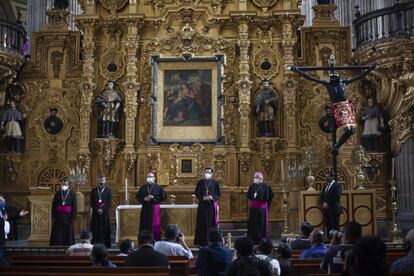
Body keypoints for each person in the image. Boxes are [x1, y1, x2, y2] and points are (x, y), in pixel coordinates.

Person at [291, 61, 376, 154]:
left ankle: (337, 146)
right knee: (348, 130)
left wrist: (370, 69)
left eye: (335, 75)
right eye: (332, 76)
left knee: (351, 130)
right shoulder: (328, 84)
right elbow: (311, 78)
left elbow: (359, 77)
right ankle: (336, 146)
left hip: (346, 106)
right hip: (338, 107)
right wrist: (298, 71)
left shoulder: (343, 83)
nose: (333, 77)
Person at [136, 172, 167, 241]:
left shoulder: (158, 187)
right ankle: (143, 240)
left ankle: (154, 240)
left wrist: (153, 198)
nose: (149, 178)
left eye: (151, 176)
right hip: (145, 208)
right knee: (144, 224)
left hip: (154, 207)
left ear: (154, 178)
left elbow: (163, 197)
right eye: (148, 177)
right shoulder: (143, 187)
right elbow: (138, 196)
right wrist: (144, 198)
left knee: (153, 224)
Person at [194, 167, 221, 247]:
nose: (207, 173)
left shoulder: (215, 183)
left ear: (212, 173)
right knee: (201, 223)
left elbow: (218, 195)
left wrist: (212, 197)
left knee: (211, 223)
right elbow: (196, 193)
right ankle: (201, 242)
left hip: (211, 206)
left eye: (209, 172)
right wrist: (202, 197)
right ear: (204, 173)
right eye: (206, 172)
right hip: (202, 206)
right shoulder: (200, 182)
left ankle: (212, 242)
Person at [247, 172, 274, 245]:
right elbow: (250, 197)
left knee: (261, 225)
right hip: (253, 209)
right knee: (253, 224)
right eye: (255, 177)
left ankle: (261, 240)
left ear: (261, 178)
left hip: (262, 209)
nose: (255, 179)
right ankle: (252, 240)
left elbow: (270, 199)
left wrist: (266, 208)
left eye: (257, 177)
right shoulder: (252, 186)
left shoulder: (266, 186)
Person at [50, 180, 76, 246]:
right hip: (58, 216)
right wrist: (53, 216)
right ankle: (57, 244)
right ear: (61, 185)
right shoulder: (58, 193)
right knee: (58, 231)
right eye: (63, 185)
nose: (64, 186)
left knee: (68, 232)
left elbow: (74, 206)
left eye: (66, 185)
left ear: (68, 185)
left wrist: (73, 217)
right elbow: (54, 205)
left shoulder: (72, 194)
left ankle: (68, 243)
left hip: (68, 216)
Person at [90, 176, 112, 248]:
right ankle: (95, 242)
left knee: (104, 227)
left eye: (103, 180)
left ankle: (105, 243)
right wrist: (97, 209)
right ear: (98, 180)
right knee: (95, 227)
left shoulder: (108, 191)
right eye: (100, 180)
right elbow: (92, 202)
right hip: (96, 213)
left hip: (104, 213)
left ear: (105, 181)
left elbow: (109, 203)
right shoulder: (94, 191)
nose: (101, 181)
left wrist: (103, 209)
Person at [320, 171, 342, 237]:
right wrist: (323, 203)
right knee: (328, 226)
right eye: (326, 177)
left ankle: (336, 241)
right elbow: (322, 196)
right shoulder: (326, 186)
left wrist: (328, 204)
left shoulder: (337, 185)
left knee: (335, 226)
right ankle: (330, 240)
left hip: (334, 209)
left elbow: (336, 196)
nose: (326, 178)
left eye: (328, 177)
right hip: (326, 210)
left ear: (332, 177)